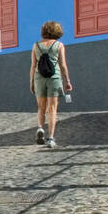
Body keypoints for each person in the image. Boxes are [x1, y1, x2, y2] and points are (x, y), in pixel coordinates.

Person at [30, 20, 72, 148]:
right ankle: (51, 138)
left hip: (39, 78)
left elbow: (33, 66)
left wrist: (31, 81)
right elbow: (63, 65)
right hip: (54, 78)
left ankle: (40, 128)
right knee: (52, 109)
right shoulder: (59, 45)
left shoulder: (36, 45)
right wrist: (67, 81)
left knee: (41, 107)